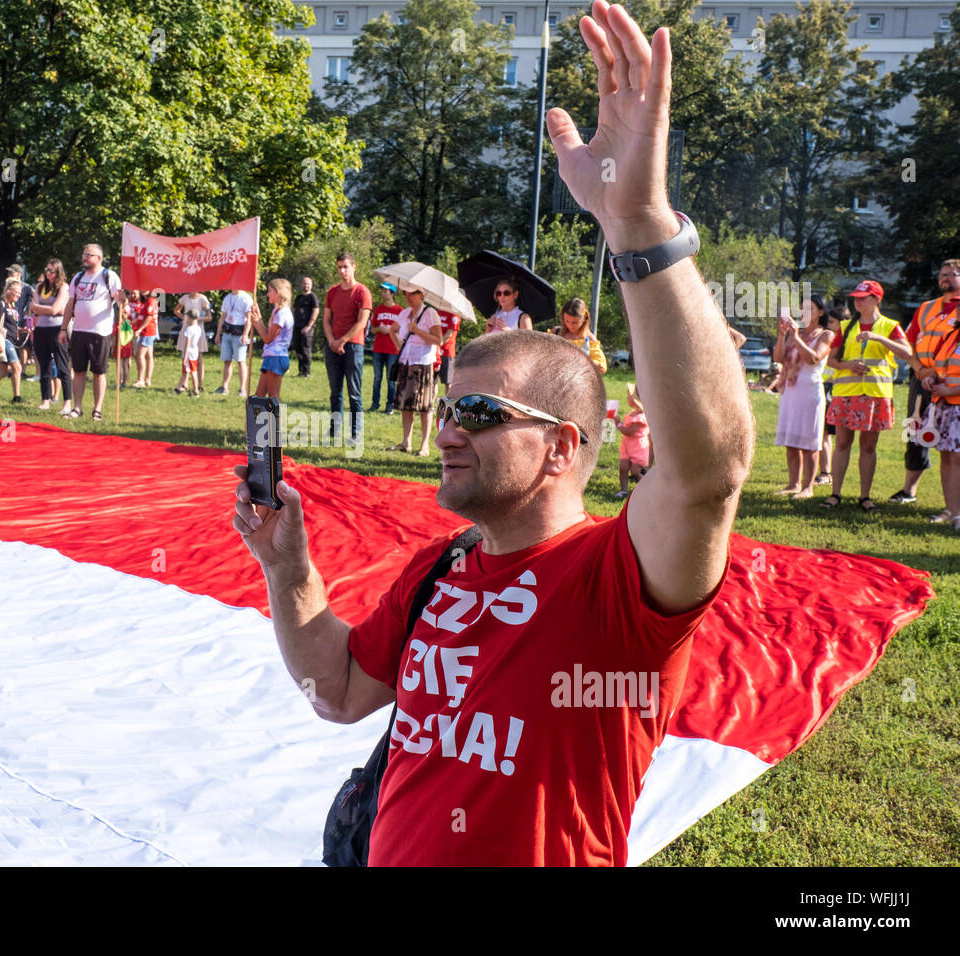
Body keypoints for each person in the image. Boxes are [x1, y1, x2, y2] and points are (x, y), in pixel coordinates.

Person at [231, 1, 752, 866]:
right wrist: (288, 571)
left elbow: (708, 472)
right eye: (447, 409)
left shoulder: (618, 583)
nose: (446, 432)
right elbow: (341, 691)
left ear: (562, 448)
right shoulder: (440, 568)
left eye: (476, 413)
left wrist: (638, 223)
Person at [821, 280, 913, 512]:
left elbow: (907, 353)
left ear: (876, 299)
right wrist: (848, 365)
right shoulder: (844, 327)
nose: (857, 301)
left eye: (863, 297)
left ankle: (865, 496)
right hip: (846, 393)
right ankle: (835, 494)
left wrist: (879, 339)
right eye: (856, 297)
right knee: (842, 443)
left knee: (868, 447)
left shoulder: (890, 326)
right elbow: (831, 360)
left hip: (875, 395)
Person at [891, 259, 960, 505]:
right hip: (921, 381)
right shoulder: (926, 308)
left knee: (953, 446)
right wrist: (920, 369)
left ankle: (951, 505)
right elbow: (907, 344)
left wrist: (935, 372)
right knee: (915, 431)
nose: (945, 278)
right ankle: (909, 490)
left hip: (952, 386)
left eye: (951, 274)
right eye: (942, 274)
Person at [773, 295, 835, 499]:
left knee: (810, 443)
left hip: (810, 394)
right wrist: (783, 336)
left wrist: (796, 336)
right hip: (791, 392)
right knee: (791, 441)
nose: (804, 312)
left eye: (810, 308)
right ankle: (793, 483)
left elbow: (813, 357)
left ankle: (808, 487)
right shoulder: (794, 334)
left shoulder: (826, 335)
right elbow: (778, 358)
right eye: (802, 308)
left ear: (821, 312)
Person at [59, 243, 123, 421]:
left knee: (98, 372)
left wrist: (122, 299)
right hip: (79, 330)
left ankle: (97, 410)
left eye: (89, 254)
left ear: (99, 258)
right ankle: (77, 408)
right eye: (84, 253)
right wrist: (64, 329)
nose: (85, 257)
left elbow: (119, 300)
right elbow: (70, 304)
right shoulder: (78, 278)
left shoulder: (109, 276)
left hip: (100, 332)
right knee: (78, 370)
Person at [385, 283, 444, 457]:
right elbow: (392, 330)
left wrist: (417, 330)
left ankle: (424, 445)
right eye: (405, 293)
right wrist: (399, 348)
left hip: (423, 363)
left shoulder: (430, 313)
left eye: (412, 293)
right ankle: (406, 441)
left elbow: (438, 340)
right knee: (406, 404)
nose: (408, 296)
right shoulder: (404, 313)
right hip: (406, 362)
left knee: (424, 406)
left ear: (421, 294)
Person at [323, 253, 372, 445]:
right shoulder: (332, 292)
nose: (342, 271)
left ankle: (355, 433)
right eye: (339, 267)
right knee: (335, 392)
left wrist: (342, 341)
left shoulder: (362, 292)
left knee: (354, 393)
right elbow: (326, 320)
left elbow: (362, 323)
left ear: (354, 267)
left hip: (353, 346)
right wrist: (332, 341)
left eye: (345, 267)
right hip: (333, 345)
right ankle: (334, 431)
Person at [31, 259, 71, 413]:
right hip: (41, 329)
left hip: (57, 329)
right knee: (44, 366)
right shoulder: (39, 286)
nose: (48, 273)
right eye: (46, 270)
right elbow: (32, 308)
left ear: (58, 272)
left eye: (51, 271)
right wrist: (48, 309)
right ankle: (45, 400)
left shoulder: (63, 287)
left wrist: (41, 308)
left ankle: (67, 402)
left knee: (62, 366)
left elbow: (55, 310)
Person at [815, 303, 849, 485]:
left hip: (832, 388)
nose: (829, 325)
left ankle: (826, 473)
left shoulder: (843, 342)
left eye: (833, 322)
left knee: (825, 433)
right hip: (825, 386)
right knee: (820, 433)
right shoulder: (833, 339)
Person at [250, 278, 295, 400]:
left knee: (273, 396)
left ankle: (275, 419)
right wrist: (258, 318)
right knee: (259, 396)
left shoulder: (282, 314)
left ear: (278, 292)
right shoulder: (276, 311)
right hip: (271, 356)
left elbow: (267, 338)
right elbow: (267, 333)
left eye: (270, 291)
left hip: (276, 357)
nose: (268, 294)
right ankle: (256, 419)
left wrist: (257, 323)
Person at [368, 281, 403, 413]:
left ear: (392, 293)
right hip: (378, 349)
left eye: (385, 291)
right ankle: (375, 404)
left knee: (391, 379)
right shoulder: (378, 309)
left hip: (393, 350)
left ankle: (390, 405)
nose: (383, 293)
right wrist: (379, 329)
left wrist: (391, 331)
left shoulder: (400, 311)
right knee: (377, 378)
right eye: (382, 290)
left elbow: (403, 330)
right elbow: (372, 329)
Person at [552, 297, 607, 373]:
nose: (570, 325)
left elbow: (602, 368)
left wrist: (586, 362)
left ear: (584, 318)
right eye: (567, 321)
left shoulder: (589, 339)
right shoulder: (556, 332)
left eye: (575, 322)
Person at [615, 382, 650, 499]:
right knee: (623, 469)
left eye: (629, 396)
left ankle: (646, 490)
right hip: (627, 446)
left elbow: (629, 431)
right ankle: (624, 490)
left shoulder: (641, 417)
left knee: (635, 472)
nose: (627, 397)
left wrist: (618, 424)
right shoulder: (632, 413)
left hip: (638, 447)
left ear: (636, 399)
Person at [215, 288, 254, 396]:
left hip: (239, 334)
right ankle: (224, 387)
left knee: (240, 361)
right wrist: (218, 333)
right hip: (227, 333)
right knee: (227, 361)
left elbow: (248, 320)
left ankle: (242, 389)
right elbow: (223, 316)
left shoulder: (246, 298)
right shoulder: (227, 298)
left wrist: (245, 335)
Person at [173, 291, 212, 391]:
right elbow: (176, 310)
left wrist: (196, 318)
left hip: (197, 329)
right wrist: (185, 318)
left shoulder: (203, 299)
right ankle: (184, 384)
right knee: (185, 359)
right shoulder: (185, 298)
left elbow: (209, 317)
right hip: (186, 329)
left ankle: (199, 385)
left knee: (198, 359)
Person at [6, 263, 35, 375]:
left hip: (21, 319)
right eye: (8, 272)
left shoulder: (26, 287)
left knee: (23, 345)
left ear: (19, 274)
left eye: (11, 272)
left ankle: (22, 370)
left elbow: (33, 299)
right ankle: (10, 368)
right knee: (9, 343)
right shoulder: (7, 286)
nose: (9, 274)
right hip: (9, 318)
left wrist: (27, 310)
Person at [130, 288, 160, 388]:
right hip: (147, 331)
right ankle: (147, 379)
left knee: (139, 355)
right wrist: (130, 323)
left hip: (147, 332)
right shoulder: (147, 301)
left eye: (146, 288)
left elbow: (149, 317)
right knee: (148, 356)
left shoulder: (151, 301)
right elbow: (141, 317)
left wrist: (139, 329)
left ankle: (141, 380)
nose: (143, 289)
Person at [292, 276, 319, 377]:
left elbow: (316, 311)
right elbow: (293, 310)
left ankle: (307, 372)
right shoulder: (298, 297)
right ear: (301, 285)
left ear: (311, 285)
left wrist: (308, 326)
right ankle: (301, 371)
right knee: (297, 348)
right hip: (297, 326)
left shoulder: (312, 297)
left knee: (306, 350)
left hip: (307, 327)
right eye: (304, 283)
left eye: (308, 283)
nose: (306, 285)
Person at [434, 308, 461, 396]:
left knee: (448, 382)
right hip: (435, 352)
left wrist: (438, 343)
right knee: (433, 381)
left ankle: (448, 405)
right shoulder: (438, 312)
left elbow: (449, 333)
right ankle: (431, 405)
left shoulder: (454, 315)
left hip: (447, 352)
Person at [178, 309, 204, 397]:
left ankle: (196, 390)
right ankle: (180, 387)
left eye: (188, 317)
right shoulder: (198, 329)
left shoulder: (189, 329)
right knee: (189, 370)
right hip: (195, 351)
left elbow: (187, 344)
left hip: (189, 353)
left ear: (191, 318)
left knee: (193, 372)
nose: (187, 319)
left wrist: (185, 356)